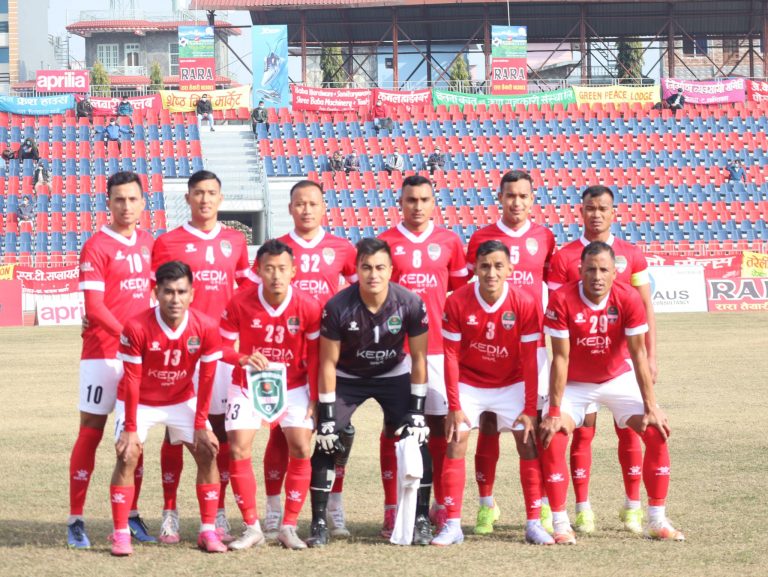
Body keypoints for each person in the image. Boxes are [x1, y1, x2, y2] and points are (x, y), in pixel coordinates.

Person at [539, 241, 684, 544]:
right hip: (575, 384)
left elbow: (638, 354)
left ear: (615, 272)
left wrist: (651, 406)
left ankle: (657, 519)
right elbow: (560, 358)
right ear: (580, 270)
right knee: (554, 436)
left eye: (604, 269)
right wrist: (553, 412)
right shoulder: (562, 299)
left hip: (618, 378)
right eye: (591, 269)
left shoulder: (628, 297)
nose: (597, 276)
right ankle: (560, 523)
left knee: (656, 430)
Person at [151, 170, 254, 544]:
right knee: (175, 433)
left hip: (222, 351)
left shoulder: (235, 241)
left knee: (219, 434)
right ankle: (170, 513)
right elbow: (153, 295)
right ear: (188, 198)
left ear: (220, 198)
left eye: (211, 193)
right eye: (198, 193)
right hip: (181, 351)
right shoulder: (168, 242)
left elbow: (246, 289)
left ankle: (218, 511)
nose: (205, 199)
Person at [306, 238, 430, 547]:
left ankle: (421, 519)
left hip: (392, 374)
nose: (373, 274)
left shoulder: (410, 303)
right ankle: (318, 521)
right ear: (357, 270)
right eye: (366, 267)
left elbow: (419, 359)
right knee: (326, 438)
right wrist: (327, 416)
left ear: (391, 270)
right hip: (348, 377)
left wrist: (417, 410)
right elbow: (327, 362)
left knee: (418, 437)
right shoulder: (337, 306)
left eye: (379, 268)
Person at [547, 184, 656, 535]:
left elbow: (645, 306)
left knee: (630, 432)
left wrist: (652, 356)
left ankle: (633, 507)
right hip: (578, 368)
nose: (596, 214)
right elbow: (558, 312)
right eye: (590, 208)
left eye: (603, 208)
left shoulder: (632, 254)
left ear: (613, 212)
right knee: (581, 433)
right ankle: (582, 508)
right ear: (581, 211)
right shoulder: (563, 257)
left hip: (622, 363)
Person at [433, 240, 553, 546]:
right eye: (485, 266)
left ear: (510, 269)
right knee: (456, 439)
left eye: (498, 266)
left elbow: (530, 359)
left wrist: (530, 408)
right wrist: (454, 406)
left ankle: (533, 523)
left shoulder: (524, 301)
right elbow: (450, 356)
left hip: (511, 383)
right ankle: (452, 524)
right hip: (470, 383)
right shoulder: (457, 301)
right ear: (474, 269)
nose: (491, 273)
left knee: (527, 441)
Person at [255, 180, 357, 540]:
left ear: (324, 207)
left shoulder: (342, 248)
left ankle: (333, 507)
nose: (307, 210)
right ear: (290, 208)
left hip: (331, 353)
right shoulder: (278, 250)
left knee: (337, 431)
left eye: (313, 203)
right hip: (287, 357)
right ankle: (273, 511)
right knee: (281, 436)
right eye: (300, 204)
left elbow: (359, 293)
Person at [374, 175, 469, 537]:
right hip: (396, 352)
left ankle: (441, 506)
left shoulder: (449, 241)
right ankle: (392, 507)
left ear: (433, 203)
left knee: (440, 428)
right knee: (394, 428)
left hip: (438, 351)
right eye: (411, 199)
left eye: (424, 200)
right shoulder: (385, 242)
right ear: (400, 202)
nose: (417, 206)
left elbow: (458, 294)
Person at [109, 260, 226, 556]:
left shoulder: (206, 327)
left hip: (180, 398)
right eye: (168, 292)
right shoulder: (137, 326)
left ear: (192, 294)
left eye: (181, 292)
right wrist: (130, 429)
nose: (175, 299)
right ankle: (120, 533)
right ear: (156, 293)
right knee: (128, 455)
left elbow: (207, 378)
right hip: (139, 401)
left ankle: (208, 530)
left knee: (208, 450)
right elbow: (132, 380)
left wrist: (201, 424)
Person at [464, 169, 557, 535]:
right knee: (487, 426)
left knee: (532, 430)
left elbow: (554, 290)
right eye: (510, 196)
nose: (516, 202)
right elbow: (466, 291)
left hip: (532, 349)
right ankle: (486, 505)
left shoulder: (545, 237)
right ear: (499, 198)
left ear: (532, 199)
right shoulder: (481, 238)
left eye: (523, 196)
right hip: (489, 348)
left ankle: (542, 505)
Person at [66, 171, 155, 549]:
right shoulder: (96, 246)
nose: (126, 206)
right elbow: (95, 307)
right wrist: (131, 335)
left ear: (143, 203)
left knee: (136, 434)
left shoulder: (150, 243)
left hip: (138, 357)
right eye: (119, 199)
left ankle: (130, 515)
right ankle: (75, 520)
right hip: (102, 353)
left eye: (133, 199)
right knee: (91, 430)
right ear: (108, 203)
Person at [221, 240, 323, 550]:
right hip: (247, 384)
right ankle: (252, 527)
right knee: (238, 448)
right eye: (269, 268)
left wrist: (315, 396)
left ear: (294, 271)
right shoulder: (240, 301)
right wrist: (241, 357)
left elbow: (316, 355)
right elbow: (220, 346)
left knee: (301, 446)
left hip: (294, 386)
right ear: (258, 270)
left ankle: (288, 527)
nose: (276, 275)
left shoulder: (308, 305)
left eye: (282, 268)